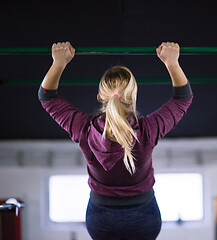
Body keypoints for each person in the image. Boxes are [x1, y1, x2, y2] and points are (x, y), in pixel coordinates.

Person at [38, 41, 193, 240]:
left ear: (99, 97)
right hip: (143, 215)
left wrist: (58, 63)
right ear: (134, 97)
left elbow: (47, 97)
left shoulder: (83, 129)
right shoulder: (148, 130)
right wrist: (172, 63)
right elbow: (183, 98)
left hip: (101, 217)